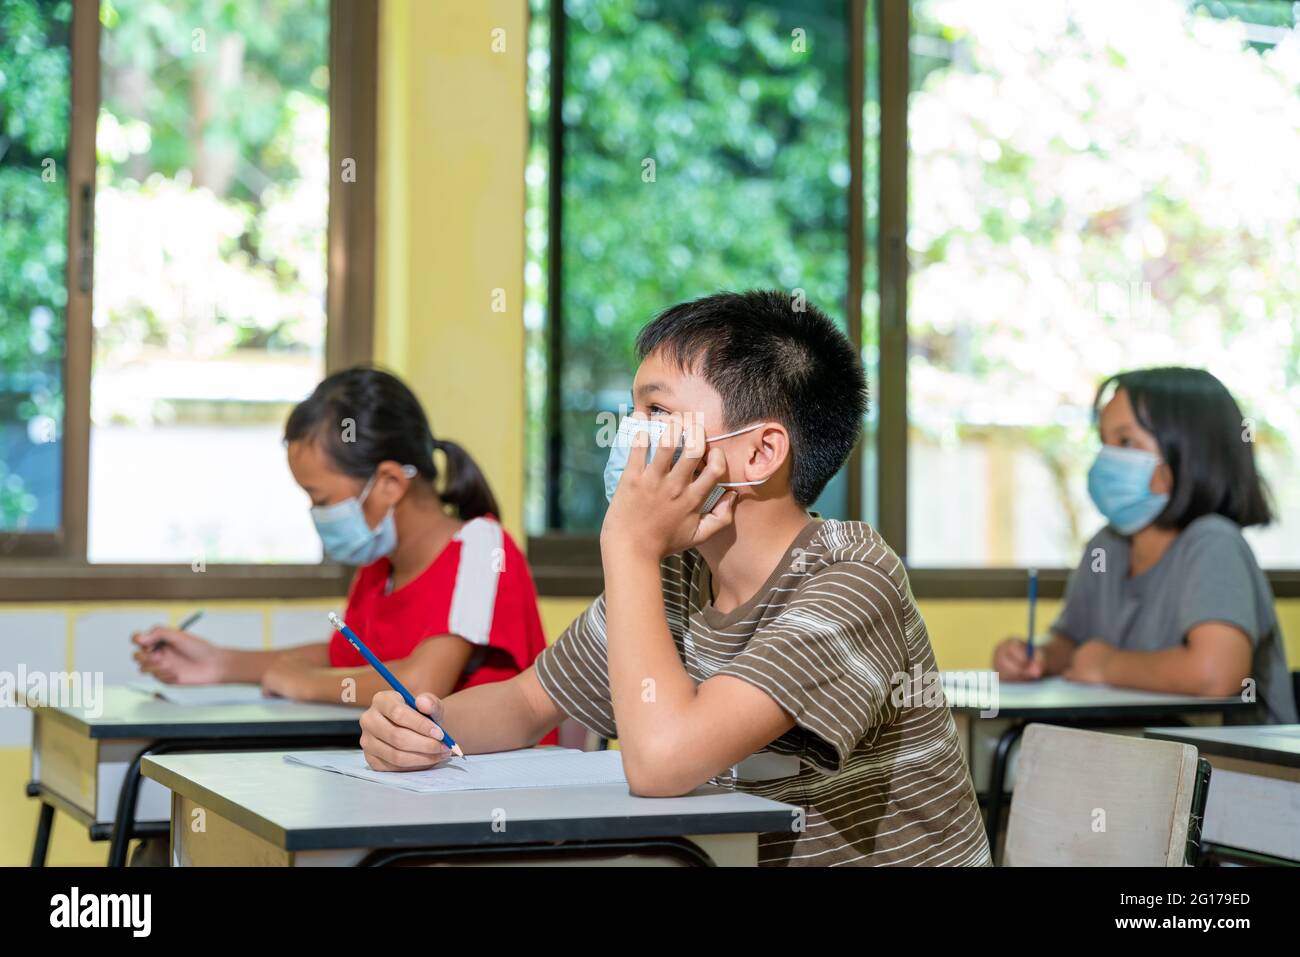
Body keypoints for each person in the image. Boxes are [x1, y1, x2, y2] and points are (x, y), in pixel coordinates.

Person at [356, 291, 991, 866]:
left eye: (655, 410)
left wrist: (628, 545)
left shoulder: (853, 576)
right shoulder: (676, 570)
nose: (629, 437)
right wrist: (422, 727)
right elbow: (525, 704)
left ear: (761, 453)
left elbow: (663, 763)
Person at [133, 367, 552, 717]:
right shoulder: (378, 566)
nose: (317, 515)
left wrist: (302, 683)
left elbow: (424, 683)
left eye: (322, 499)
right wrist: (217, 663)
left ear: (389, 483)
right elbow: (345, 661)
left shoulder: (483, 548)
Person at [993, 367, 1297, 724]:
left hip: (1233, 774)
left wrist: (1107, 665)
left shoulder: (1213, 543)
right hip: (1141, 762)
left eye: (1125, 442)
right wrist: (1037, 658)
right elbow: (1073, 644)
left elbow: (1216, 675)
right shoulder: (1106, 547)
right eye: (1103, 441)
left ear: (1190, 452)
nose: (1106, 459)